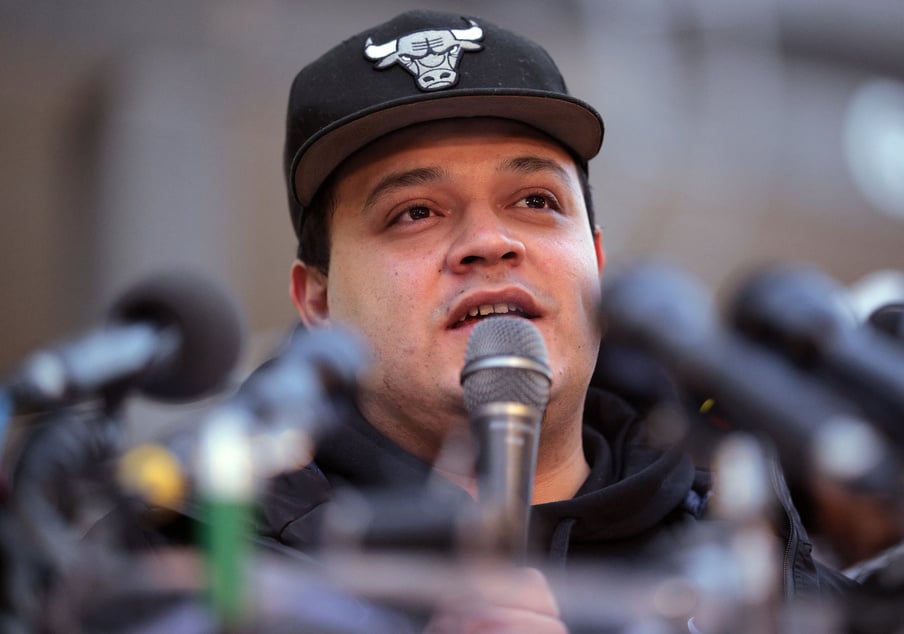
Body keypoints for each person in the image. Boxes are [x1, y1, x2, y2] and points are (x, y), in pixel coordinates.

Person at [250, 9, 853, 632]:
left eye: (536, 201)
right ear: (316, 302)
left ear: (595, 260)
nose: (488, 241)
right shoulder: (188, 572)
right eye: (416, 212)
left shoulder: (768, 573)